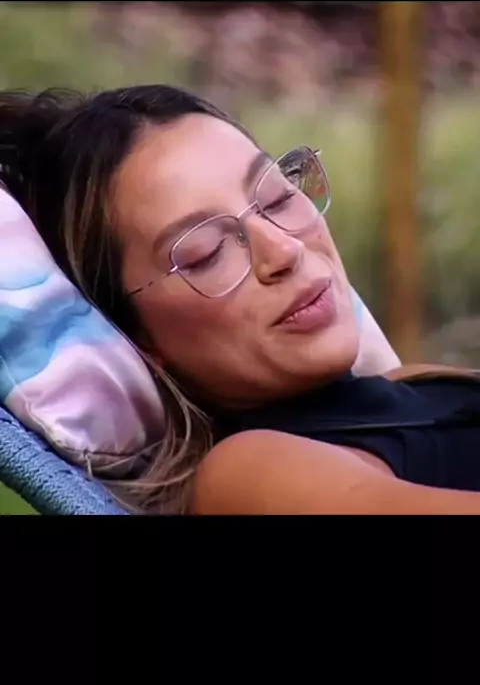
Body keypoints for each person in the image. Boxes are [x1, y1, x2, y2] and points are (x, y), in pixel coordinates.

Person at [2, 83, 480, 516]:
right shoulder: (248, 476)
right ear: (139, 337)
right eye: (206, 253)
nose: (285, 250)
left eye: (278, 198)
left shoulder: (418, 384)